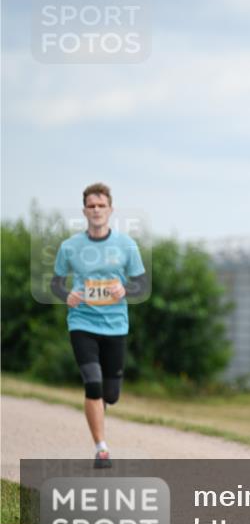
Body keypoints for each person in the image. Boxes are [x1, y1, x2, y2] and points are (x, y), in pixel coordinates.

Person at [50, 183, 147, 468]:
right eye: (91, 206)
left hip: (116, 326)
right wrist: (66, 295)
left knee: (111, 394)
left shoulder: (127, 246)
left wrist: (125, 290)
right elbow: (56, 284)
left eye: (101, 206)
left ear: (110, 210)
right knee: (92, 383)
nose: (96, 210)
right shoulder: (69, 247)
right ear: (84, 211)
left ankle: (100, 409)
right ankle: (101, 448)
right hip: (82, 322)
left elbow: (141, 283)